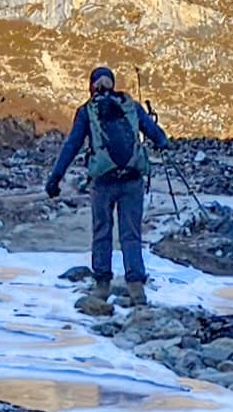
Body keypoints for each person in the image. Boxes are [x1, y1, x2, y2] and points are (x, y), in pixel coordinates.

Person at [44, 66, 169, 315]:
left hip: (103, 181)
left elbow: (72, 146)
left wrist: (55, 178)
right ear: (113, 84)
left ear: (91, 86)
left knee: (102, 231)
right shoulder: (130, 105)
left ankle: (102, 286)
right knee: (130, 234)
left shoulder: (87, 112)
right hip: (132, 179)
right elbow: (154, 133)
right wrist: (162, 141)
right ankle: (136, 289)